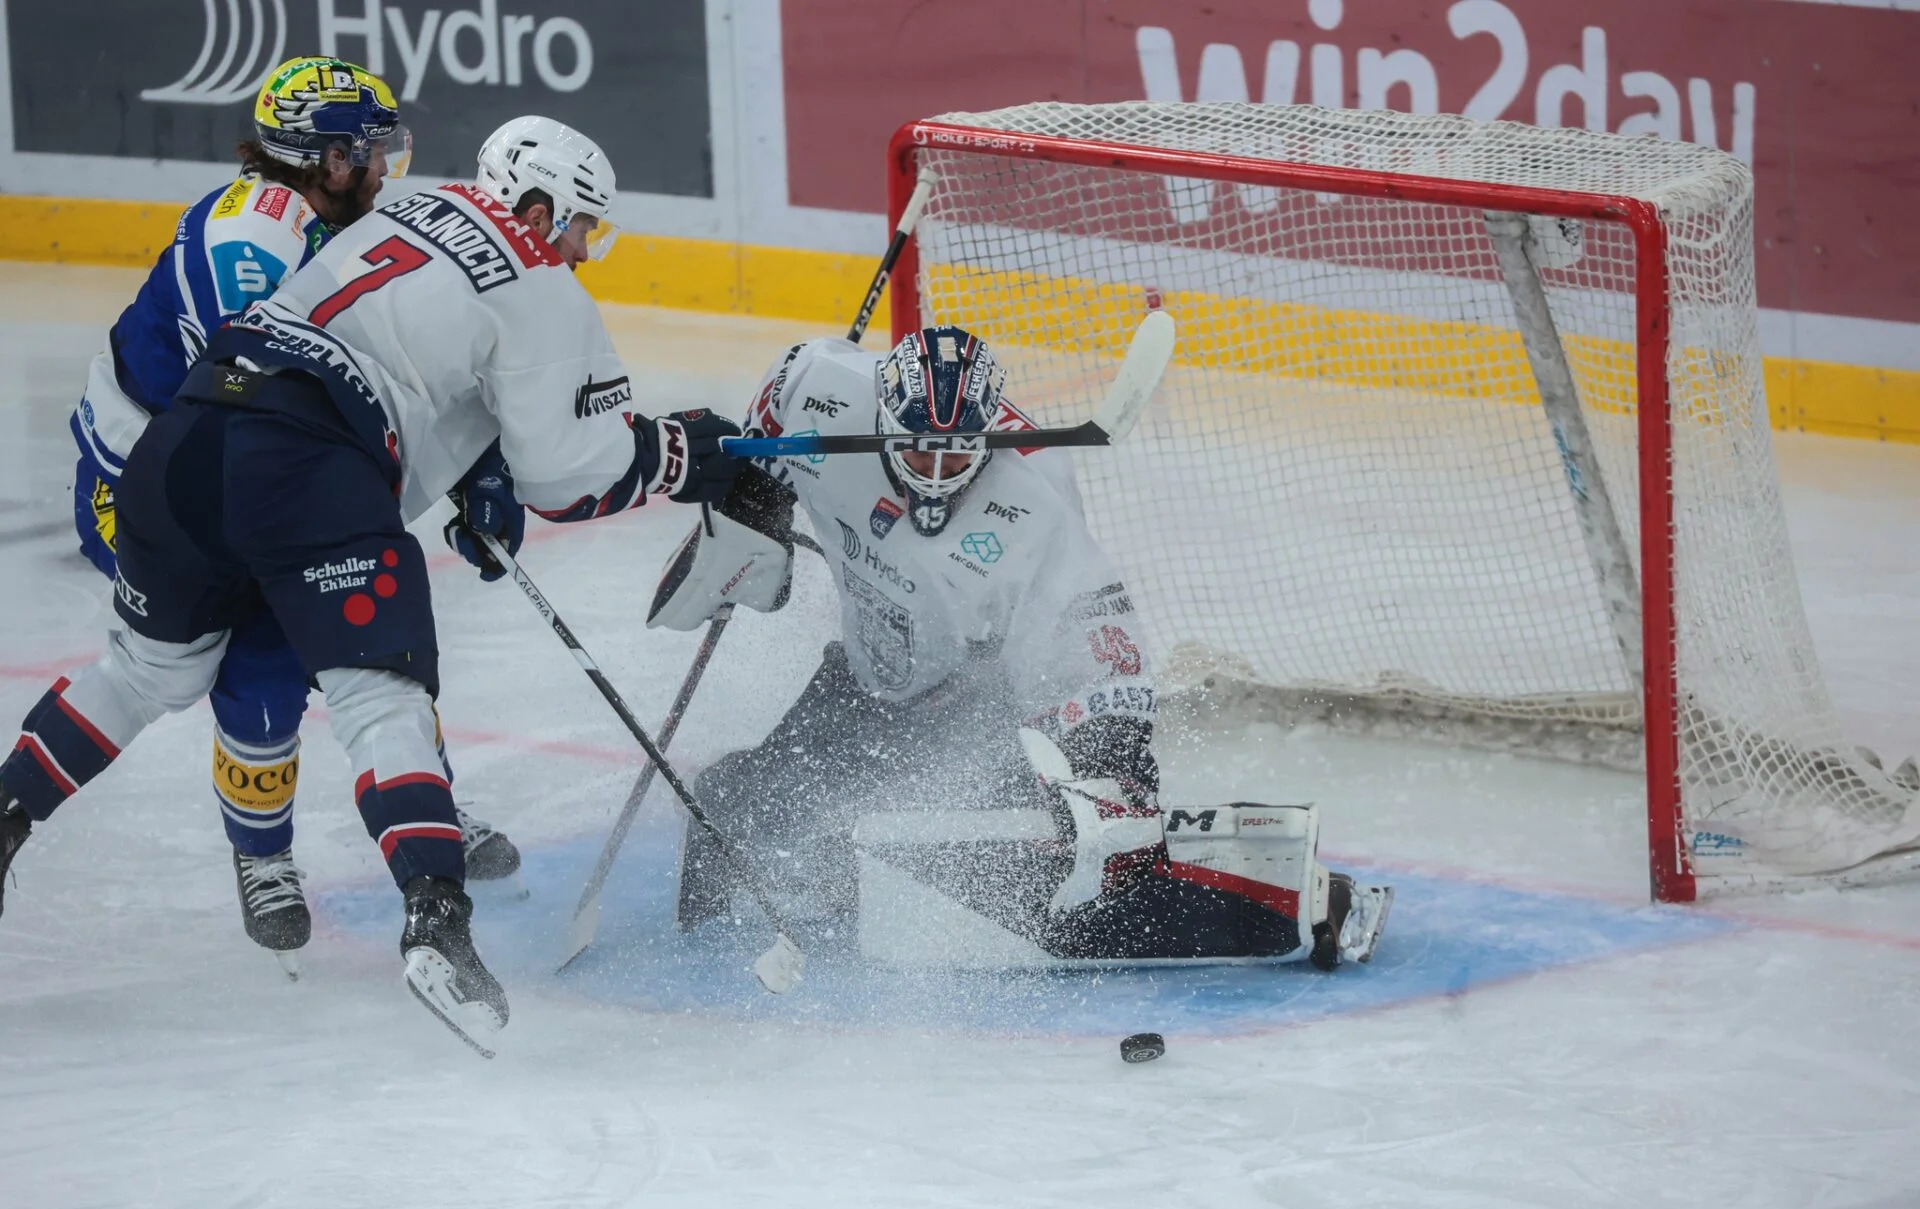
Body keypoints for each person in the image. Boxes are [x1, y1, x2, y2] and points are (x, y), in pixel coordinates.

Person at [0, 115, 746, 1055]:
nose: (582, 252)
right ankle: (437, 917)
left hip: (190, 432)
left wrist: (481, 466)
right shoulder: (544, 284)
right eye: (581, 227)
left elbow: (420, 356)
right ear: (539, 204)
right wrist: (683, 452)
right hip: (310, 463)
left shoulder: (412, 209)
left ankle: (7, 812)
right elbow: (571, 472)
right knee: (379, 697)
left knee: (143, 673)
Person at [647, 327, 1392, 968]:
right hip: (862, 686)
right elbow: (768, 420)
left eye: (956, 454)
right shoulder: (819, 389)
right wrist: (756, 503)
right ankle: (740, 943)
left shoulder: (1033, 498)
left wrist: (1108, 767)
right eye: (917, 451)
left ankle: (1308, 895)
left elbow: (1100, 651)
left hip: (978, 721)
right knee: (729, 811)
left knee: (1081, 872)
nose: (936, 473)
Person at [62, 56, 520, 979]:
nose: (388, 170)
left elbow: (399, 351)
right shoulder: (249, 249)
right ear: (324, 160)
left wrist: (481, 455)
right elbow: (271, 417)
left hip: (246, 462)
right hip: (156, 480)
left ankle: (417, 804)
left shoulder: (334, 217)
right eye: (369, 153)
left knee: (372, 639)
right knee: (264, 658)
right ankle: (263, 853)